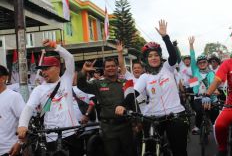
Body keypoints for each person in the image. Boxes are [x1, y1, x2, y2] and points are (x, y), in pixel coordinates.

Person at [17, 39, 81, 155]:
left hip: (72, 133)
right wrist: (22, 125)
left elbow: (70, 58)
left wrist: (55, 46)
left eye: (46, 69)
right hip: (52, 136)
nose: (43, 72)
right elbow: (29, 107)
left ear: (57, 68)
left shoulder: (66, 79)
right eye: (42, 70)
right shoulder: (39, 89)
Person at [134, 20, 188, 156]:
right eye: (150, 56)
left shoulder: (167, 68)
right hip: (153, 117)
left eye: (156, 55)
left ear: (160, 57)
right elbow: (134, 93)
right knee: (151, 151)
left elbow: (173, 56)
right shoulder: (144, 77)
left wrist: (165, 37)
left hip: (175, 114)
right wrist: (124, 106)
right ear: (146, 60)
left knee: (179, 151)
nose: (153, 58)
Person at [77, 55, 136, 156]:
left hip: (126, 126)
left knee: (130, 153)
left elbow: (132, 103)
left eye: (113, 66)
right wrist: (84, 71)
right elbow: (81, 86)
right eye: (108, 66)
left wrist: (136, 123)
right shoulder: (98, 84)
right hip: (108, 128)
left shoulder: (125, 83)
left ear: (117, 67)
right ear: (104, 69)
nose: (111, 68)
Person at [188, 36, 218, 135]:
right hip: (198, 98)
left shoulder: (211, 73)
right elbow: (192, 58)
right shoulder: (195, 71)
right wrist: (191, 45)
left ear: (207, 63)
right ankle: (197, 126)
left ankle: (214, 126)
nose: (202, 64)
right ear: (197, 64)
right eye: (199, 63)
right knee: (199, 112)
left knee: (215, 114)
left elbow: (214, 84)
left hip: (211, 97)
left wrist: (215, 91)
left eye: (204, 62)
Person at [0, 65, 25, 156]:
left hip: (9, 151)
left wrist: (20, 143)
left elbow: (25, 121)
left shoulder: (14, 97)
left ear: (3, 79)